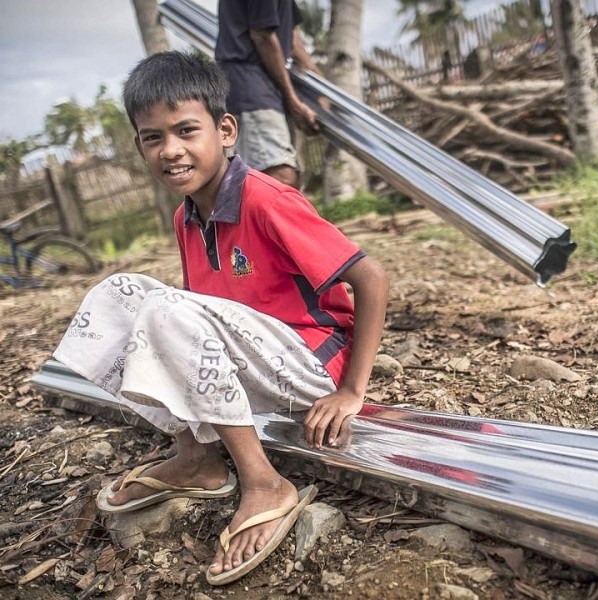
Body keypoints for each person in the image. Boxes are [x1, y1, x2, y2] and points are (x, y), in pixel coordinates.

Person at [51, 50, 389, 586]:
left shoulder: (266, 199)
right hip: (251, 369)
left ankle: (264, 483)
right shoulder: (186, 217)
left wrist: (351, 390)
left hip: (311, 366)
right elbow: (191, 327)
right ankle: (198, 458)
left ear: (225, 129)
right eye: (152, 137)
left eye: (186, 130)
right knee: (117, 292)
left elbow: (371, 279)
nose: (171, 150)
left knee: (164, 307)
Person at [215, 0, 324, 188]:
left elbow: (290, 33)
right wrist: (293, 101)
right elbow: (262, 35)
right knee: (278, 176)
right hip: (250, 87)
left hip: (269, 87)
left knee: (288, 177)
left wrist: (320, 87)